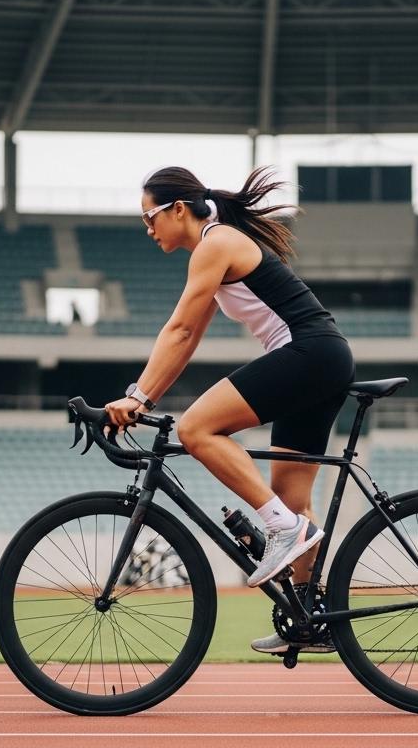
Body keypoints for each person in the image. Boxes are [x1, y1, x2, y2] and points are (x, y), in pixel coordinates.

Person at [102, 166, 355, 653]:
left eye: (149, 218)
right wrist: (143, 394)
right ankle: (310, 617)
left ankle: (282, 528)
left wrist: (137, 398)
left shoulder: (216, 244)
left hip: (310, 352)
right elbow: (189, 336)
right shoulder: (218, 248)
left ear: (178, 209)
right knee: (291, 498)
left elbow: (178, 330)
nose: (148, 229)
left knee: (197, 429)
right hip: (323, 357)